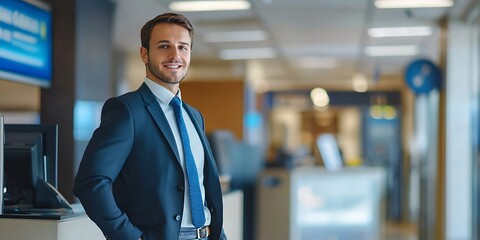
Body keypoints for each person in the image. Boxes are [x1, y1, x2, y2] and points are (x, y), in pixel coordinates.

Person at [73, 13, 227, 240]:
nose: (175, 55)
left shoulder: (194, 116)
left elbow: (202, 188)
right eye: (164, 46)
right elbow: (91, 183)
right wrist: (130, 237)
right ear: (144, 53)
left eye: (183, 47)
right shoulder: (127, 110)